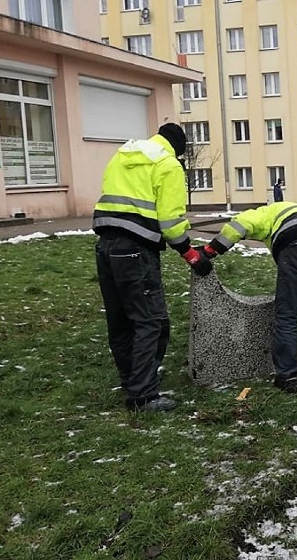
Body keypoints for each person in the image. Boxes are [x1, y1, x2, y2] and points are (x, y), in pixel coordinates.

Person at [93, 123, 213, 412]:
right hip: (136, 251)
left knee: (120, 322)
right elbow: (170, 221)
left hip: (105, 246)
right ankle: (143, 395)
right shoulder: (167, 164)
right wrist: (191, 255)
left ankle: (132, 379)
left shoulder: (123, 155)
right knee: (152, 323)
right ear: (178, 148)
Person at [200, 202, 297, 393]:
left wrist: (211, 250)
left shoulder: (267, 212)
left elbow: (240, 224)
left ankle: (287, 376)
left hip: (293, 245)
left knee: (287, 315)